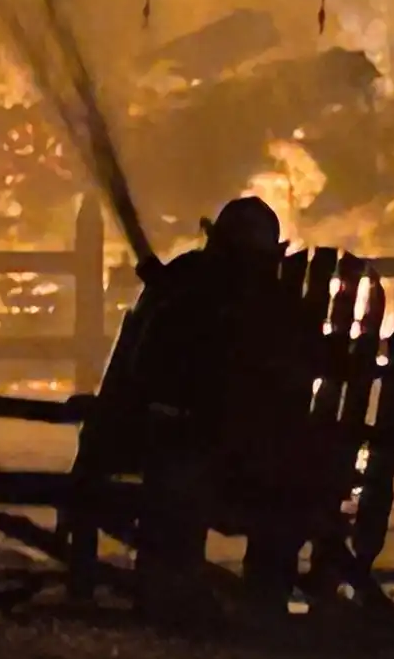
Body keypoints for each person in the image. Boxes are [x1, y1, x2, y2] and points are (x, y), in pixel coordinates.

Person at [127, 196, 305, 626]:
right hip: (269, 465)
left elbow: (149, 370)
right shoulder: (279, 305)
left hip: (214, 461)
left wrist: (163, 295)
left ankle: (173, 592)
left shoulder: (197, 295)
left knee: (173, 464)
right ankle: (261, 596)